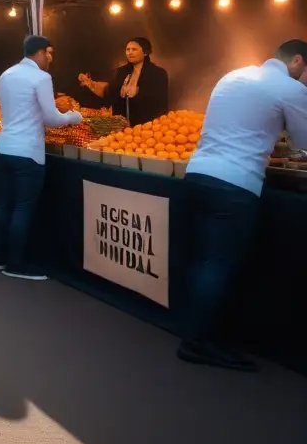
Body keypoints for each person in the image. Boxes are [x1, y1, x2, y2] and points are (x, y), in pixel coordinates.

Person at [177, 40, 307, 372]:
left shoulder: (234, 76)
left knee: (204, 260)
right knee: (220, 264)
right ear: (296, 61)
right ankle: (200, 342)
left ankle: (193, 328)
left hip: (197, 174)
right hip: (235, 184)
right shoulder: (289, 88)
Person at [0, 35, 82, 280]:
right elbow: (52, 118)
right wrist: (74, 116)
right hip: (27, 152)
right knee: (22, 208)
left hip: (4, 148)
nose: (50, 58)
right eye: (49, 53)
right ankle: (16, 265)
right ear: (40, 53)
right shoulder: (42, 77)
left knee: (3, 205)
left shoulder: (6, 74)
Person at [79, 37, 169, 126]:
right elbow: (110, 92)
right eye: (127, 49)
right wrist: (90, 84)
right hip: (122, 127)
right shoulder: (120, 71)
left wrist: (139, 93)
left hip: (148, 127)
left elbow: (160, 102)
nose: (130, 52)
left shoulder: (158, 73)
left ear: (145, 52)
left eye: (134, 49)